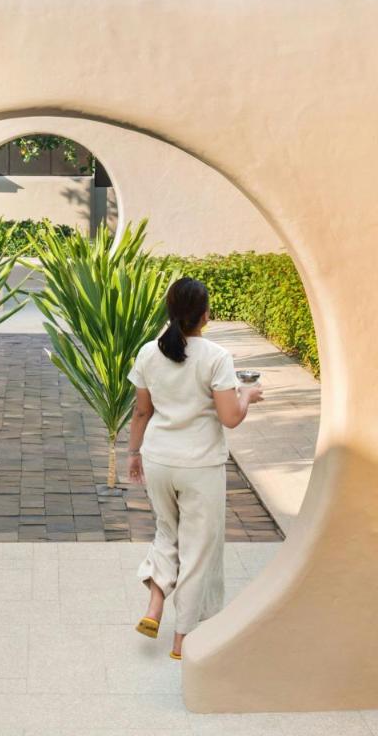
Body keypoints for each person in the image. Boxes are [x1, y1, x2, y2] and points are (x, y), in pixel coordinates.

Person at [126, 276, 263, 660]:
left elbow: (141, 412)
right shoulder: (216, 357)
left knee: (166, 532)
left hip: (158, 459)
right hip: (200, 465)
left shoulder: (148, 352)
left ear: (170, 311)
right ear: (205, 315)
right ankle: (181, 639)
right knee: (198, 549)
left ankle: (155, 606)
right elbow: (230, 417)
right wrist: (247, 394)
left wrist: (133, 453)